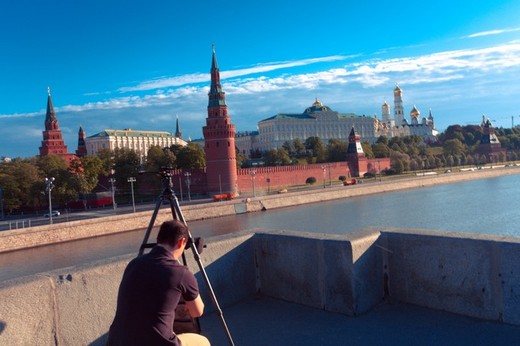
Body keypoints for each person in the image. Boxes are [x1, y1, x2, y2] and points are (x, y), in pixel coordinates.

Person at [107, 219, 210, 346]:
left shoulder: (134, 263)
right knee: (203, 342)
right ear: (182, 242)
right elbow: (197, 312)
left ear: (158, 239)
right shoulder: (181, 273)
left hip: (116, 342)